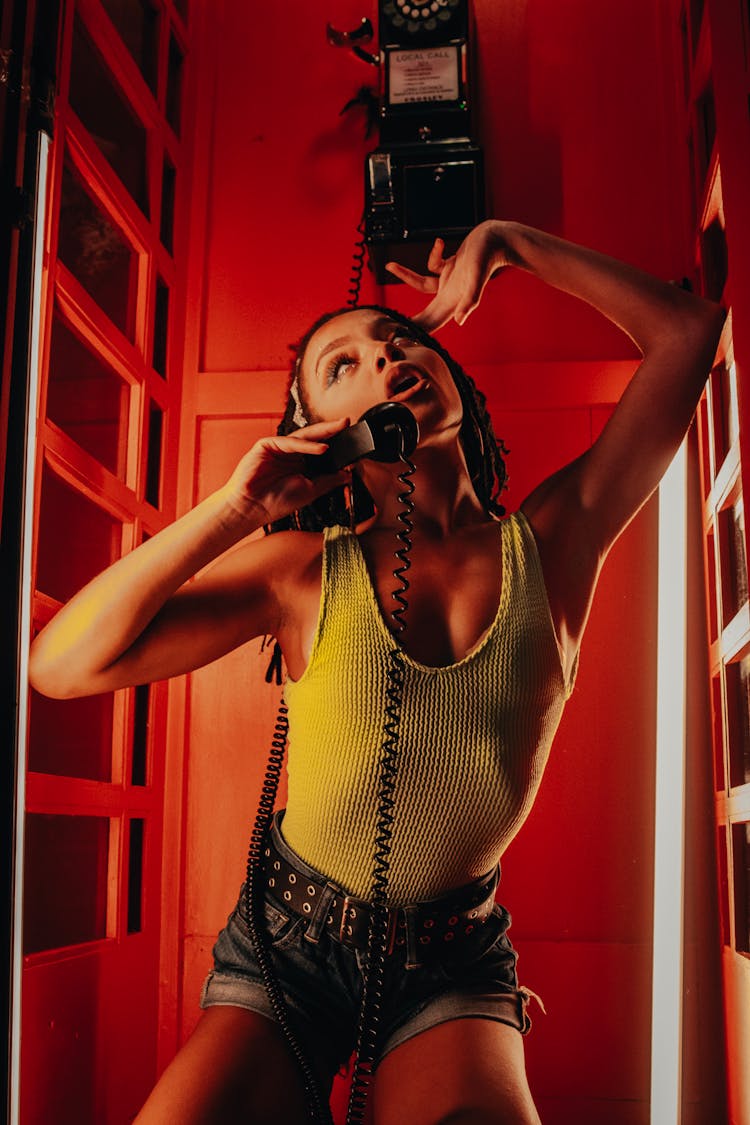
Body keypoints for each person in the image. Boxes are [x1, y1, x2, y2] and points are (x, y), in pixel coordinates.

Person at [28, 220, 723, 1124]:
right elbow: (59, 666)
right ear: (322, 431)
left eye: (399, 339)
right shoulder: (302, 571)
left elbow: (689, 336)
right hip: (289, 945)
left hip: (449, 959)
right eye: (341, 364)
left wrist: (509, 245)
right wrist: (236, 510)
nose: (385, 357)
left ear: (451, 378)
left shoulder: (555, 542)